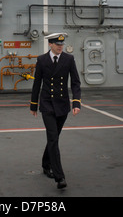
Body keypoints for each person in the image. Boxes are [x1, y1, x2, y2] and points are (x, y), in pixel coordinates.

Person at [30, 33, 81, 189]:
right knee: (53, 138)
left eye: (62, 44)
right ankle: (59, 177)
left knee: (54, 137)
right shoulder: (42, 60)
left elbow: (75, 82)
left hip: (62, 105)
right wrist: (33, 104)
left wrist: (76, 102)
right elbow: (37, 83)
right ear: (50, 45)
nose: (60, 46)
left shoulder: (69, 59)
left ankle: (46, 164)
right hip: (47, 104)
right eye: (57, 44)